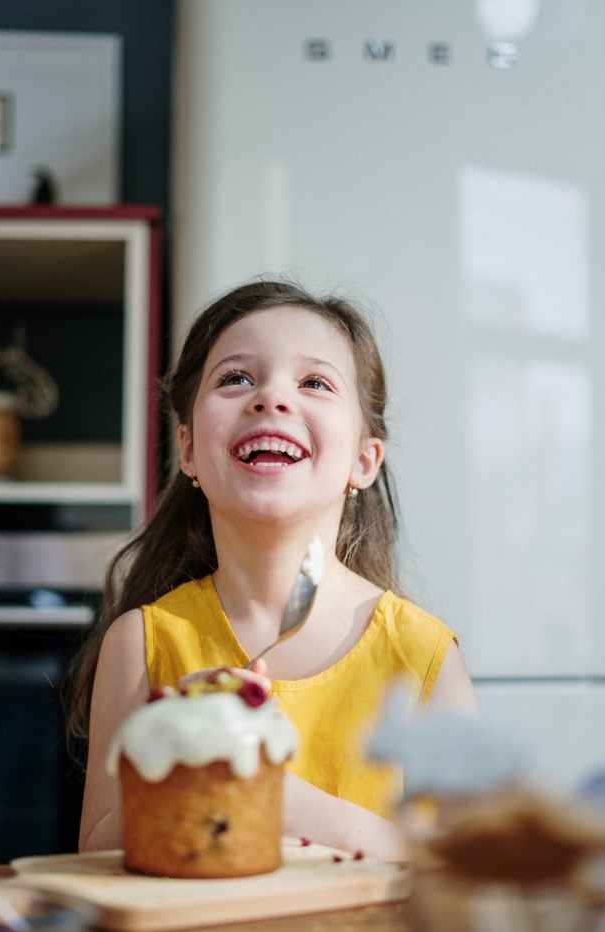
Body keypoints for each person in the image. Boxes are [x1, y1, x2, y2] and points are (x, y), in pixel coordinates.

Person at [70, 279, 475, 860]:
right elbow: (96, 861)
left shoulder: (423, 655)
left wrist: (273, 793)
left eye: (314, 382)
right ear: (188, 450)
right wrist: (183, 752)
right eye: (236, 379)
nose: (271, 399)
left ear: (364, 459)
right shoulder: (141, 642)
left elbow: (463, 870)